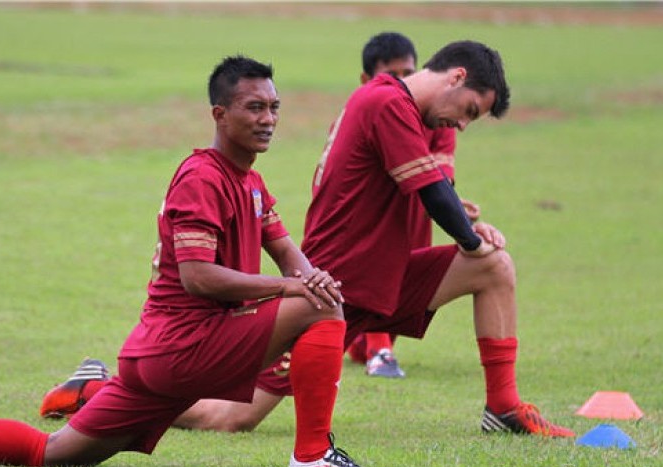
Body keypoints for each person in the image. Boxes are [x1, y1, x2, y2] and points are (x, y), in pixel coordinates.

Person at [0, 56, 384, 467]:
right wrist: (299, 287)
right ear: (220, 114)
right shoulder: (201, 177)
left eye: (274, 108)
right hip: (185, 345)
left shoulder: (250, 180)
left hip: (159, 355)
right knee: (320, 308)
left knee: (53, 455)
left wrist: (308, 273)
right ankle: (314, 454)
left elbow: (287, 249)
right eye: (254, 108)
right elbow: (199, 277)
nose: (268, 119)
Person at [41, 40, 575, 439]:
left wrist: (471, 227)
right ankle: (101, 388)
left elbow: (437, 188)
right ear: (457, 77)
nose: (463, 124)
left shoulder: (397, 109)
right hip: (328, 289)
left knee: (494, 267)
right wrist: (468, 235)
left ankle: (502, 408)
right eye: (470, 111)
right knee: (235, 418)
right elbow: (433, 192)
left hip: (378, 278)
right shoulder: (384, 102)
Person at [346, 31, 480, 379]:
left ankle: (369, 344)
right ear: (366, 80)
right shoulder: (377, 108)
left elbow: (437, 185)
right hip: (375, 229)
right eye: (393, 74)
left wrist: (453, 206)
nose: (403, 81)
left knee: (385, 308)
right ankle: (379, 350)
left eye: (409, 71)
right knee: (376, 282)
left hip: (415, 221)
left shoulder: (439, 117)